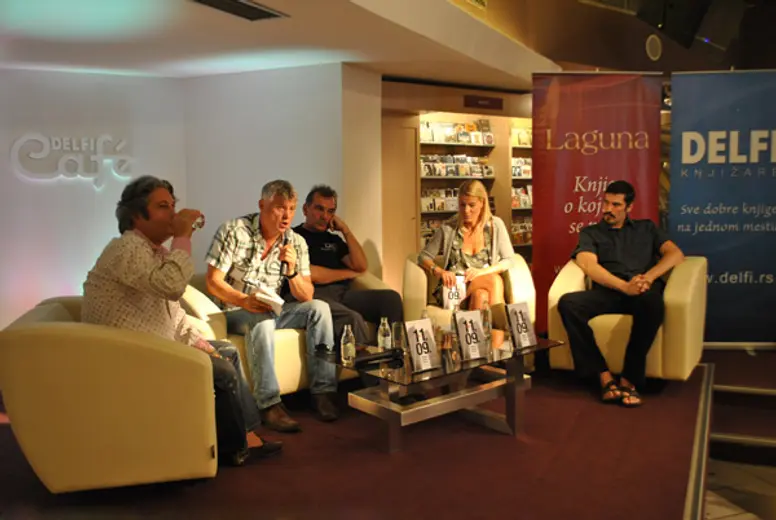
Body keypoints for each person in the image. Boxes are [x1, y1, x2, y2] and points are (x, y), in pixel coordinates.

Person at [82, 175, 282, 466]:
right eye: (163, 206)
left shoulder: (155, 253)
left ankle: (245, 435)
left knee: (225, 352)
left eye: (173, 206)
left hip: (156, 346)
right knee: (221, 370)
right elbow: (172, 285)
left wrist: (203, 345)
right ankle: (236, 447)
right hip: (130, 355)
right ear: (136, 215)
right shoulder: (126, 248)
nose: (173, 214)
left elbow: (174, 316)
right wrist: (183, 237)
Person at [204, 180, 338, 433]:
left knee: (319, 309)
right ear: (262, 205)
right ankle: (269, 405)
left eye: (291, 208)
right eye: (279, 208)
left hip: (270, 309)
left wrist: (292, 270)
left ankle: (323, 393)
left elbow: (306, 294)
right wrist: (243, 300)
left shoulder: (296, 242)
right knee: (260, 317)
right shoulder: (234, 231)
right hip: (232, 310)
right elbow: (213, 282)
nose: (286, 215)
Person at [558, 180, 685, 407]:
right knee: (568, 303)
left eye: (616, 205)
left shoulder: (647, 228)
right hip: (610, 292)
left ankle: (629, 379)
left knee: (653, 303)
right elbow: (589, 265)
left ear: (629, 207)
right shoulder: (591, 233)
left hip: (642, 292)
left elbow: (675, 254)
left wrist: (648, 278)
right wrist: (624, 286)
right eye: (606, 203)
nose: (608, 209)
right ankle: (603, 376)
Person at [294, 185, 403, 348]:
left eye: (330, 211)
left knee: (391, 299)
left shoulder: (333, 240)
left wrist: (346, 231)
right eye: (319, 209)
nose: (325, 216)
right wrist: (346, 273)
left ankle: (393, 352)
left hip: (342, 294)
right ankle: (363, 364)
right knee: (351, 318)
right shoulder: (295, 237)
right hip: (314, 295)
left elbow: (360, 265)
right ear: (305, 209)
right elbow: (311, 273)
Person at [417, 179, 516, 347]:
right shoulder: (449, 228)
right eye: (462, 205)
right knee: (494, 281)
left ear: (482, 203)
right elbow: (423, 256)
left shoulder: (495, 226)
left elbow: (509, 260)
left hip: (482, 288)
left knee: (481, 295)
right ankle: (498, 350)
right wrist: (440, 271)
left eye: (471, 205)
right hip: (455, 288)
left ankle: (475, 353)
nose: (466, 210)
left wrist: (482, 272)